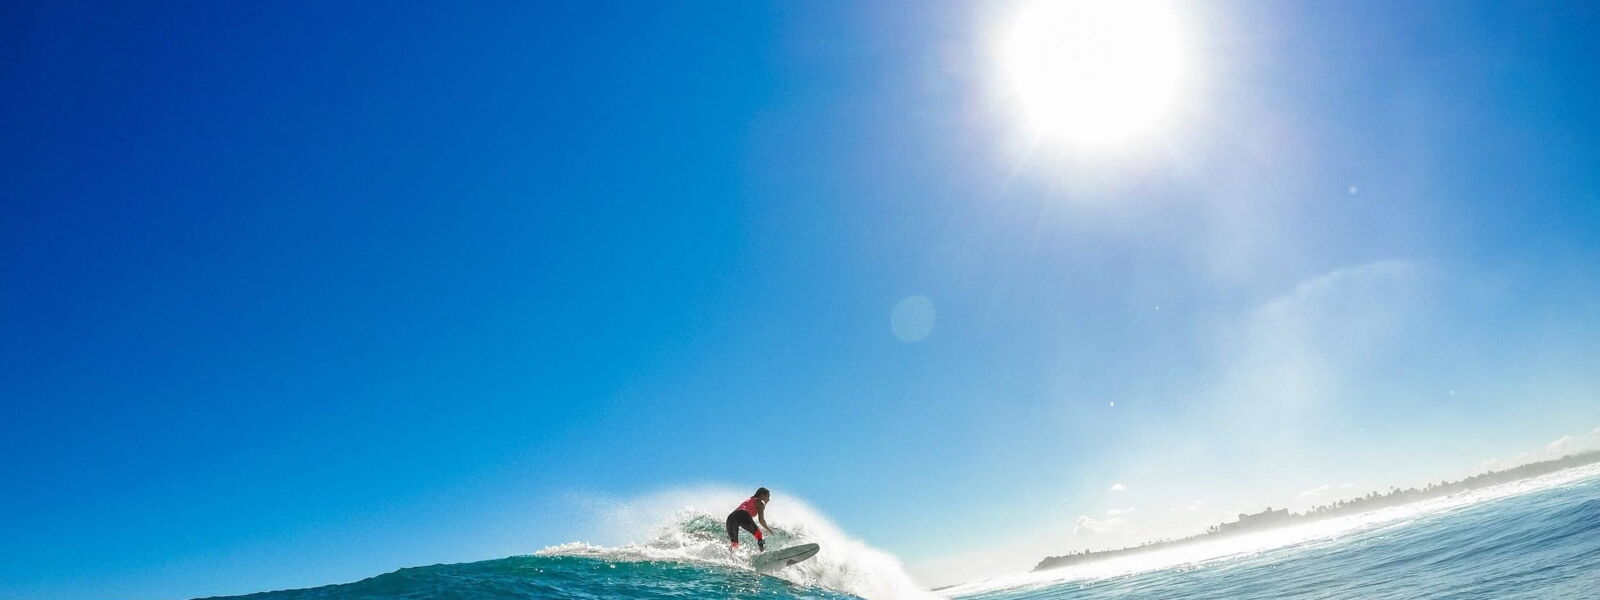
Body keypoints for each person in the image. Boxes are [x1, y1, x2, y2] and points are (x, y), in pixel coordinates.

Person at [726, 487, 772, 551]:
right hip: (743, 514)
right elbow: (761, 520)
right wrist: (769, 530)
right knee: (759, 535)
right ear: (762, 495)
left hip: (730, 518)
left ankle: (729, 557)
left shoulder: (749, 500)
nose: (768, 500)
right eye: (768, 496)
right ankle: (762, 551)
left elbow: (737, 516)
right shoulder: (760, 502)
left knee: (735, 544)